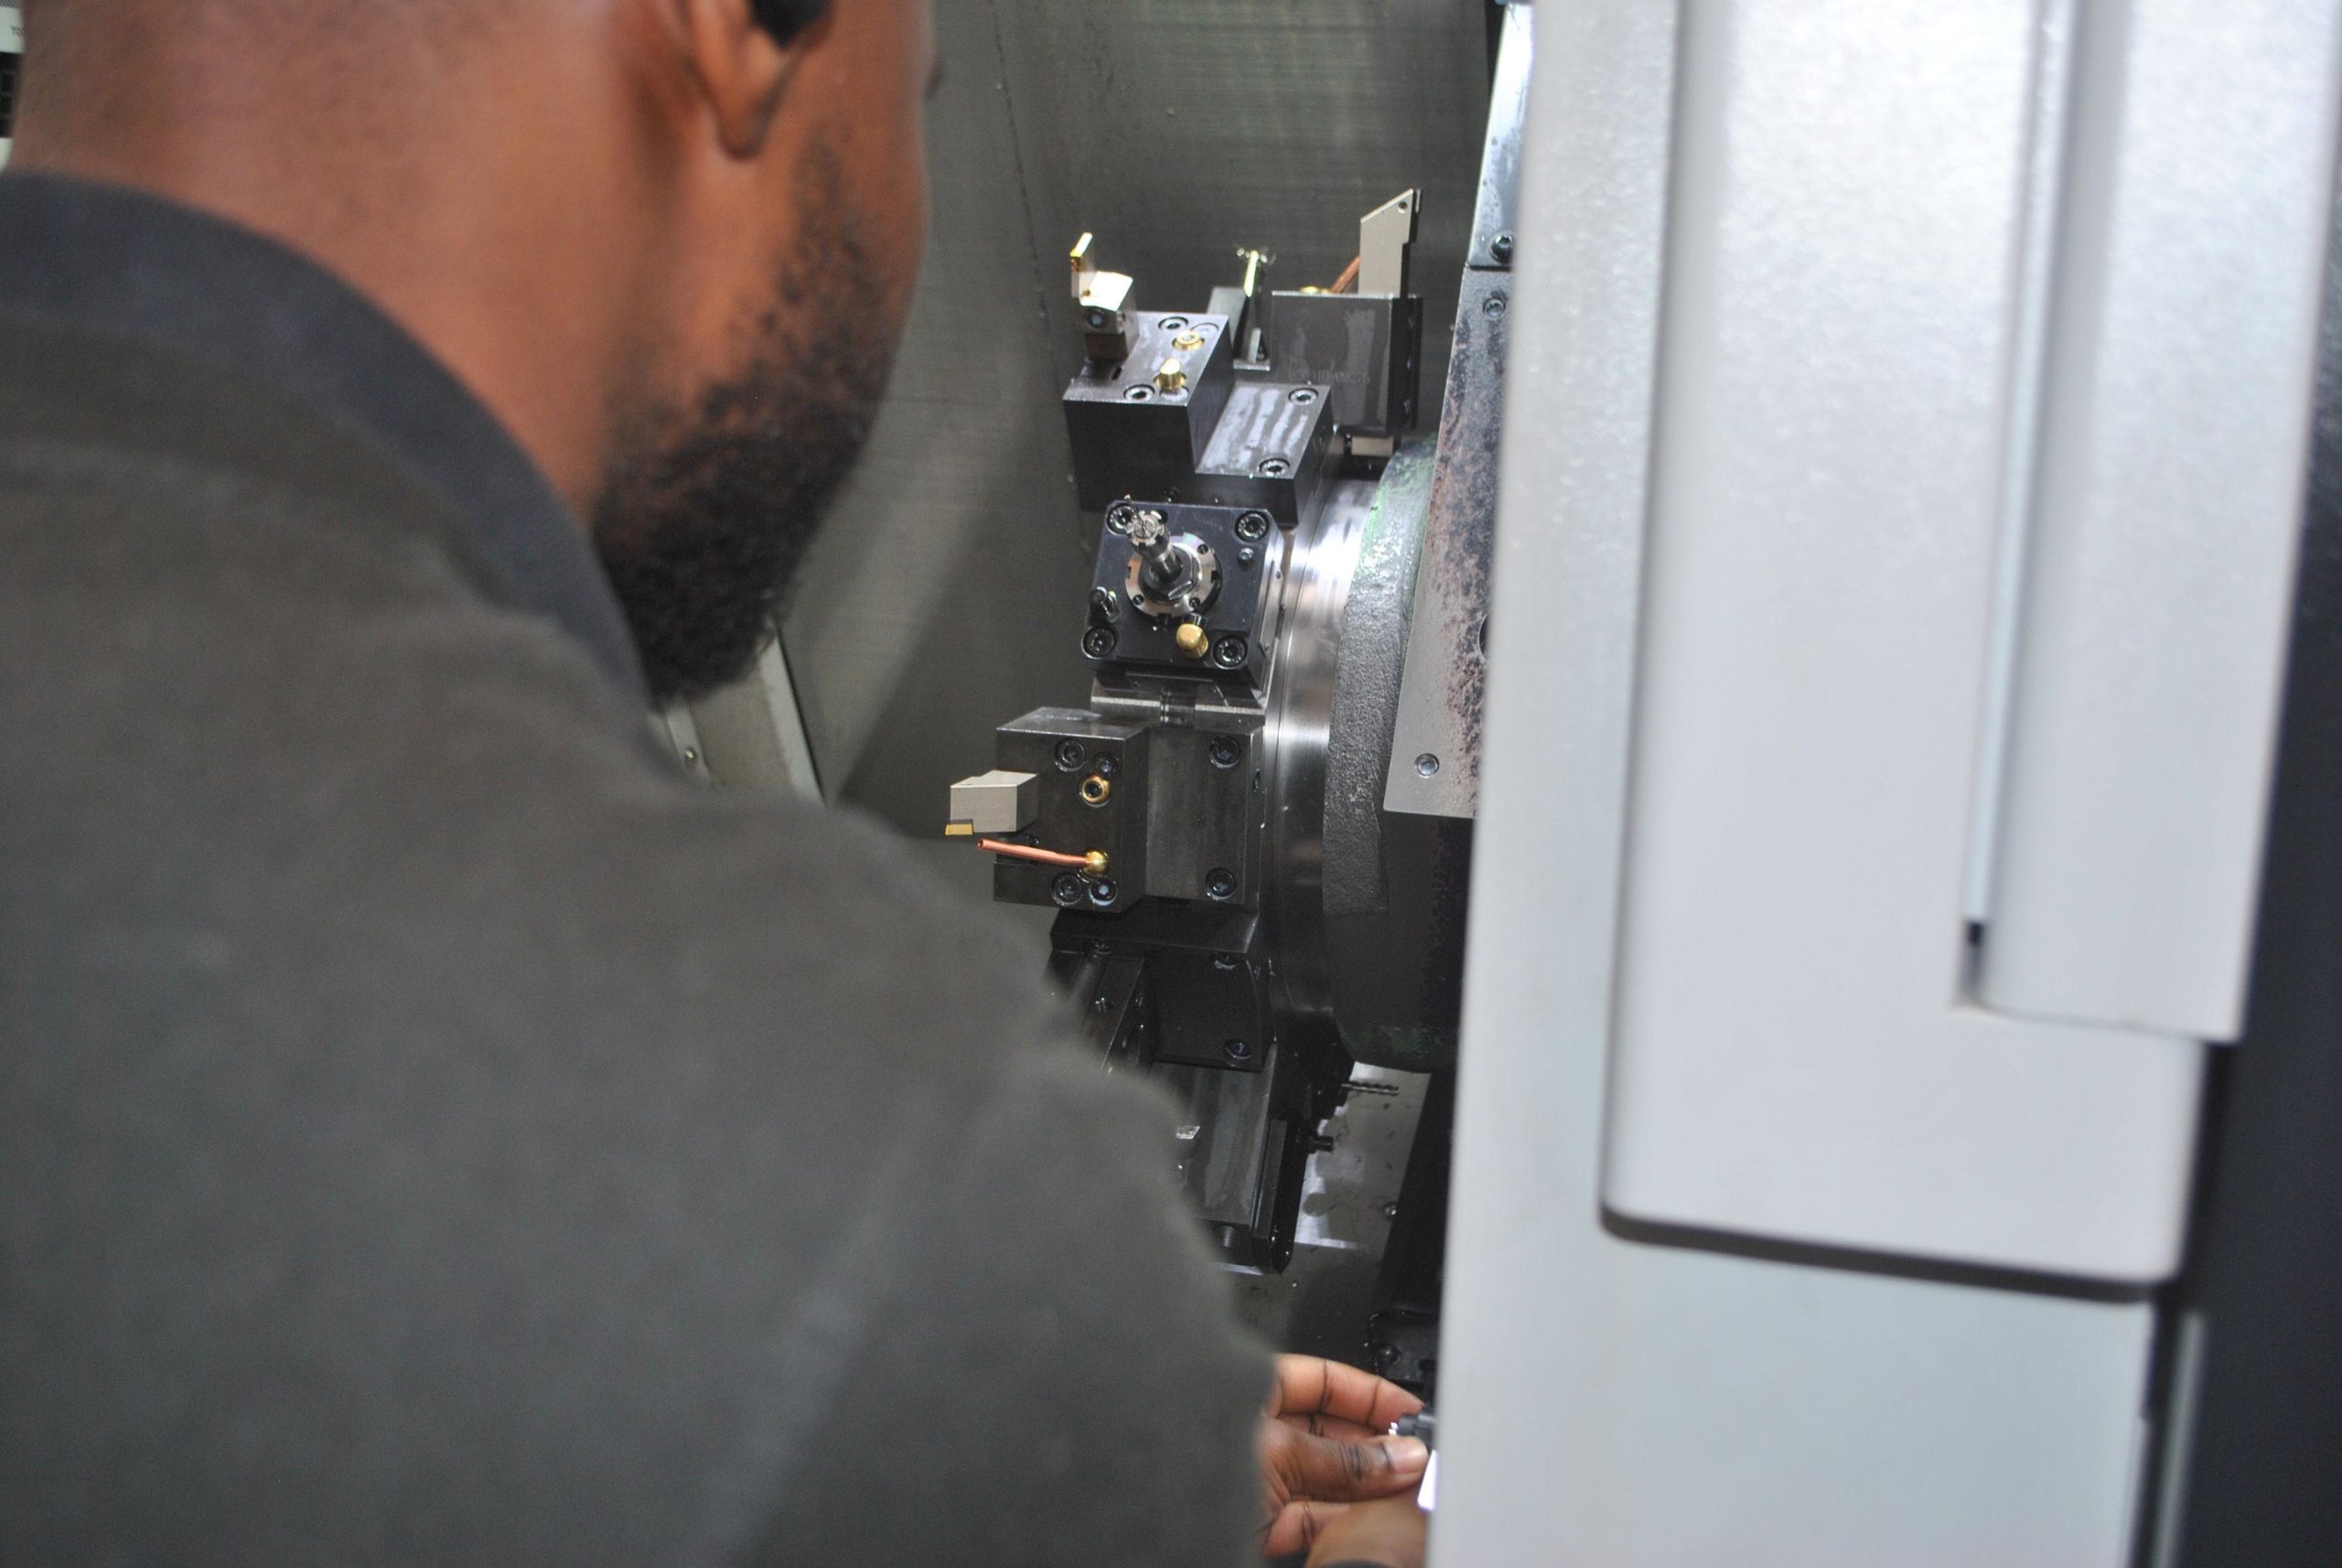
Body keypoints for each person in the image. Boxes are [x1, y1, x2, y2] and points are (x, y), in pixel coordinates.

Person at [0, 0, 1434, 1563]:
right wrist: (949, 1385)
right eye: (917, 88)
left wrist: (978, 1439)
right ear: (735, 30)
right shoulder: (835, 1132)